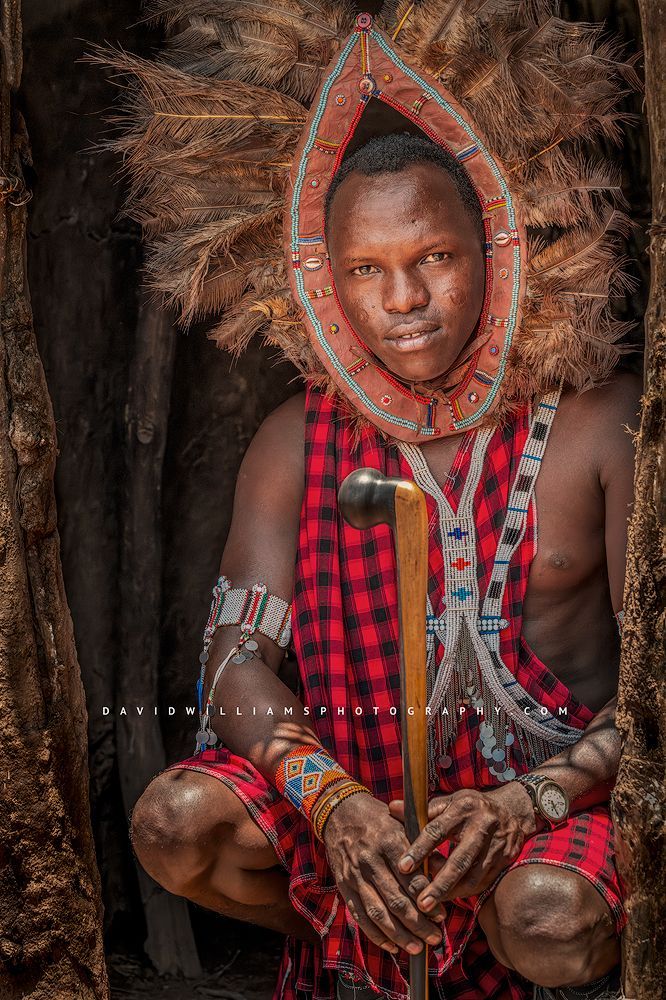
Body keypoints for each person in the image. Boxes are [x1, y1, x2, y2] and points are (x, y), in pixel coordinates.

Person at [107, 6, 640, 999]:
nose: (405, 300)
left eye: (434, 255)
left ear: (495, 244)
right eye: (367, 270)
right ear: (322, 281)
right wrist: (332, 799)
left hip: (559, 812)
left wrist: (531, 801)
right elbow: (234, 663)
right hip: (373, 821)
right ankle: (367, 932)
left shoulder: (600, 426)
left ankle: (526, 934)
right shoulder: (293, 444)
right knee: (175, 822)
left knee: (547, 916)